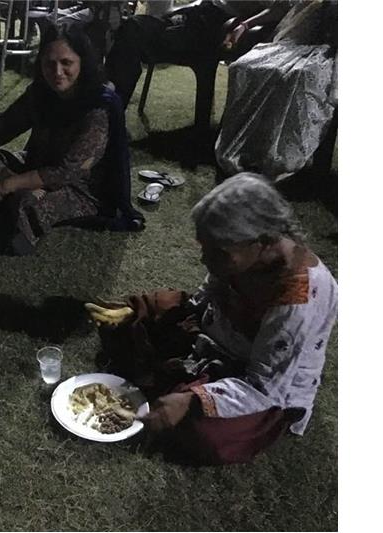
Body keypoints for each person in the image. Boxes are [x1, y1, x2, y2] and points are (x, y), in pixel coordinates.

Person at [88, 173, 337, 465]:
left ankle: (178, 385)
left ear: (262, 242)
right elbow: (203, 300)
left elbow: (264, 387)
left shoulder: (297, 299)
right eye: (204, 247)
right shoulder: (241, 254)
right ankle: (173, 377)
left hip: (254, 378)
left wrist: (192, 400)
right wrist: (151, 311)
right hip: (214, 336)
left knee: (206, 435)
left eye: (217, 252)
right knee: (136, 320)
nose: (205, 260)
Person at [0, 24, 144, 256]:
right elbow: (1, 127)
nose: (57, 72)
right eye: (49, 63)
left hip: (78, 188)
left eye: (66, 63)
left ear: (82, 62)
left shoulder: (98, 106)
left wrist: (5, 185)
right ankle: (10, 197)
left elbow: (66, 172)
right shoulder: (41, 93)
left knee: (30, 204)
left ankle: (9, 202)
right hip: (35, 168)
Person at [215, 0, 338, 181]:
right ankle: (249, 147)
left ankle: (282, 156)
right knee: (244, 66)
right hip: (293, 44)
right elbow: (279, 8)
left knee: (298, 75)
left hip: (328, 51)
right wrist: (245, 25)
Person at [104, 0, 289, 110]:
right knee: (130, 30)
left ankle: (110, 108)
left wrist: (245, 25)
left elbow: (279, 8)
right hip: (195, 13)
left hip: (208, 27)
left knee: (132, 31)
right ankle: (110, 107)